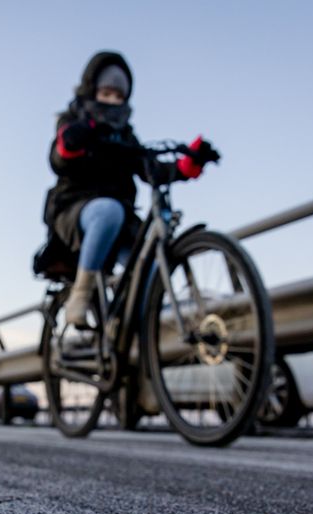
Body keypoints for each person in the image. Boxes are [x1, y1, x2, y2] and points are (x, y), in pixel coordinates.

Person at [40, 50, 220, 327]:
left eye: (119, 97)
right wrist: (73, 140)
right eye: (106, 94)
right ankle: (81, 293)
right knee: (108, 210)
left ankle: (130, 333)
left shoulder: (125, 137)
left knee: (149, 267)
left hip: (121, 222)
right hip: (75, 210)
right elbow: (59, 159)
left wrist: (187, 165)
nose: (112, 102)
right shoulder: (74, 122)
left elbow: (152, 171)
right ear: (92, 91)